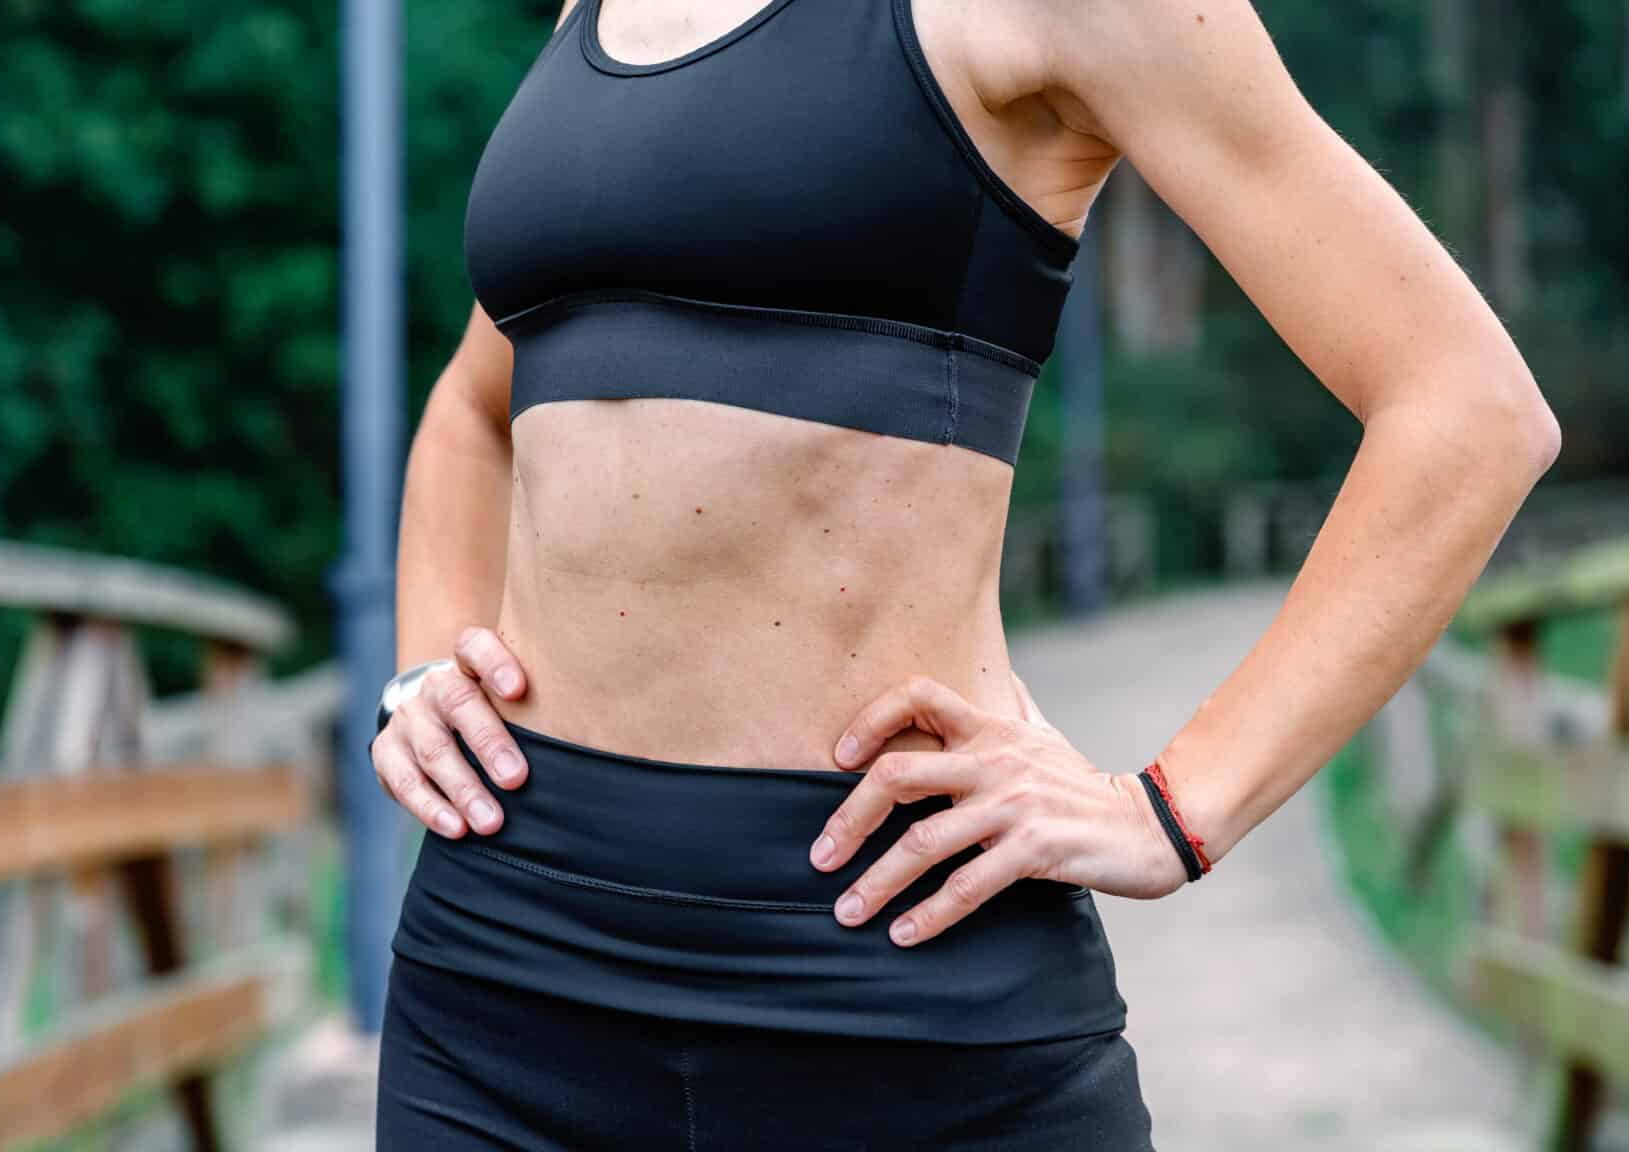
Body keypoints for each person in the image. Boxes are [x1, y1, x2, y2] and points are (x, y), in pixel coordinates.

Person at [370, 0, 1560, 1146]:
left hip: (895, 975)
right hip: (498, 984)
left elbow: (1465, 411)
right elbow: (480, 407)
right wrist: (423, 667)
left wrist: (1172, 810)